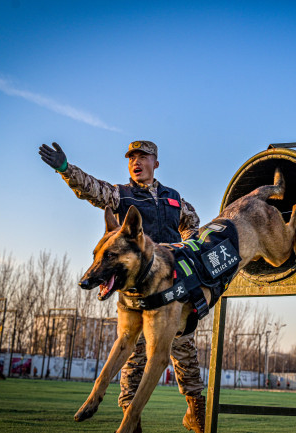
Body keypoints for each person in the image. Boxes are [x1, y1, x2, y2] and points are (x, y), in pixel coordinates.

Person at [38, 140, 206, 433]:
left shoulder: (174, 198)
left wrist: (185, 245)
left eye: (143, 157)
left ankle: (196, 412)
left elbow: (192, 224)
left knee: (184, 350)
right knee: (133, 356)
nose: (135, 162)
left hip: (172, 289)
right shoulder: (121, 195)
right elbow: (91, 188)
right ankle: (132, 419)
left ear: (156, 162)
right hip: (137, 292)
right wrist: (66, 170)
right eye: (131, 158)